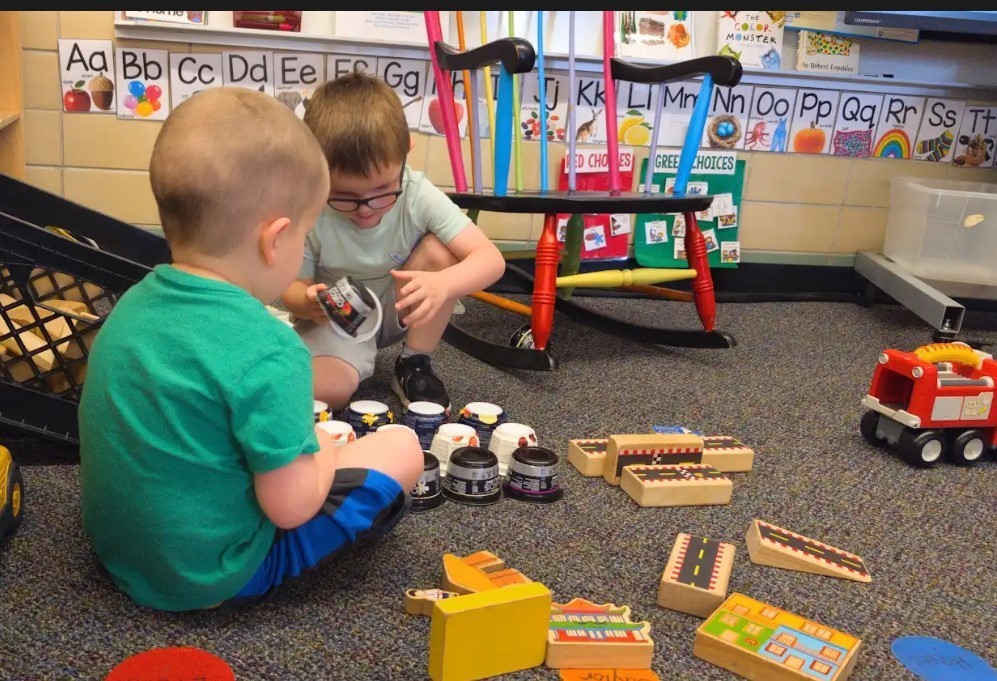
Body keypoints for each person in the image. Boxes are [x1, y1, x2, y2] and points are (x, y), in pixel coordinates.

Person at [78, 86, 423, 613]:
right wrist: (325, 453)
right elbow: (290, 508)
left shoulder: (128, 307)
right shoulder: (271, 351)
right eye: (307, 234)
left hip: (120, 552)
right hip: (217, 574)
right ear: (275, 239)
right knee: (401, 446)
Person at [280, 72, 507, 413]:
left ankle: (415, 362)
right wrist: (307, 302)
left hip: (398, 305)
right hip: (337, 321)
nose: (366, 210)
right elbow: (293, 289)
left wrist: (443, 283)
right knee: (323, 395)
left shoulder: (417, 192)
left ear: (406, 152)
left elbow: (490, 260)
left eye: (383, 191)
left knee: (441, 254)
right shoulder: (309, 206)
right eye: (344, 197)